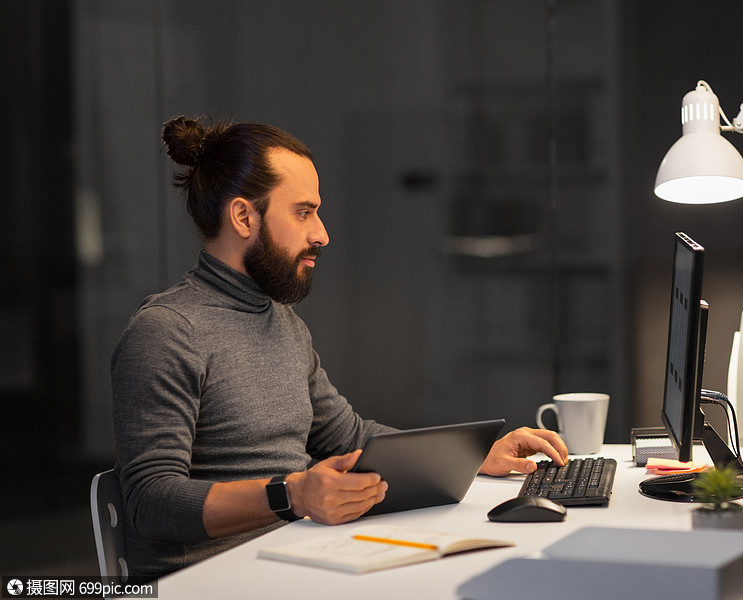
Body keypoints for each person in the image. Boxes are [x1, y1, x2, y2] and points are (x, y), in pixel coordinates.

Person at [110, 116, 568, 580]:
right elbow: (150, 502)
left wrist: (473, 455)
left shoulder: (282, 323)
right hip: (213, 579)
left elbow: (347, 436)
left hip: (296, 556)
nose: (322, 234)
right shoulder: (166, 332)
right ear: (244, 216)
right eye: (303, 212)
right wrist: (291, 494)